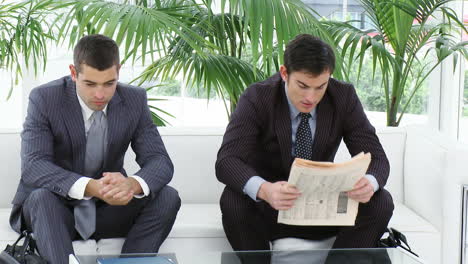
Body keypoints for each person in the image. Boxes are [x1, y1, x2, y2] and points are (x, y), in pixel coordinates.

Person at [9, 34, 181, 263]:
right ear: (73, 72)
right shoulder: (45, 98)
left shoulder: (134, 100)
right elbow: (34, 166)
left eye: (109, 83)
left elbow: (159, 160)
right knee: (41, 198)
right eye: (90, 84)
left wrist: (131, 185)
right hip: (57, 209)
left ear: (118, 71)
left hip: (108, 208)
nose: (100, 94)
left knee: (168, 197)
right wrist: (90, 187)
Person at [216, 34, 394, 251]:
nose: (311, 97)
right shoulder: (258, 97)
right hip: (272, 208)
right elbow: (227, 161)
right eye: (302, 85)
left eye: (320, 87)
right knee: (233, 201)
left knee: (381, 201)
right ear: (284, 73)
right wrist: (265, 190)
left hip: (324, 209)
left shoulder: (342, 96)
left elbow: (377, 158)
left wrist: (369, 183)